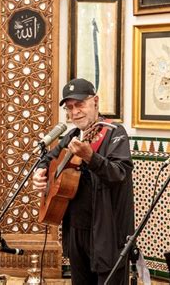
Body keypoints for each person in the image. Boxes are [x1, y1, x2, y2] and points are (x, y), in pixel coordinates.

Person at [32, 78, 134, 285]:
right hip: (76, 230)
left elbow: (120, 174)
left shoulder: (114, 133)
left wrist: (91, 157)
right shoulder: (71, 136)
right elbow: (49, 158)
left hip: (107, 232)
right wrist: (40, 171)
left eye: (80, 104)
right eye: (70, 108)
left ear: (95, 102)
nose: (75, 111)